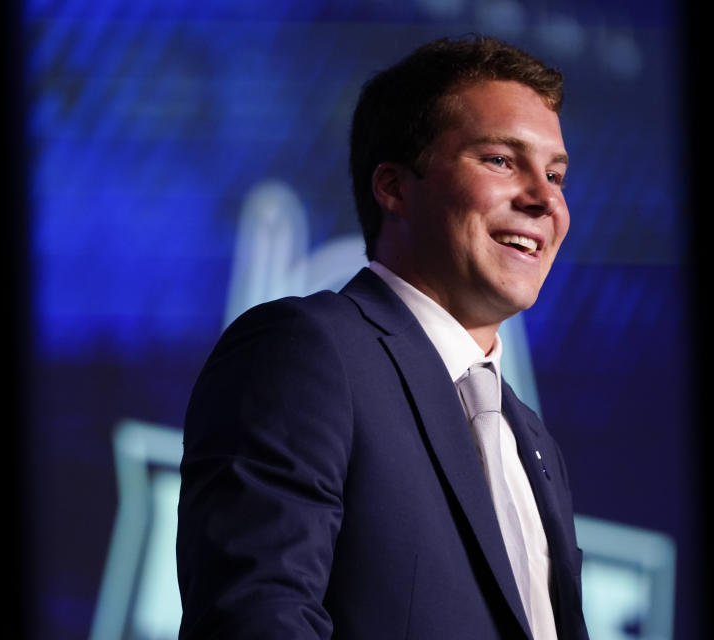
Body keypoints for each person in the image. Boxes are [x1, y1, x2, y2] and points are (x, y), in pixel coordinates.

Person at [177, 35, 589, 640]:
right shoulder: (306, 351)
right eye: (501, 160)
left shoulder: (533, 442)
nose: (544, 199)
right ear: (394, 186)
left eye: (555, 174)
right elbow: (256, 616)